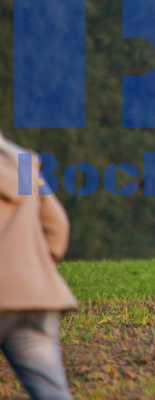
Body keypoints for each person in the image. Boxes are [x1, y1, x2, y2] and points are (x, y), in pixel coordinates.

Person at [0, 132, 78, 399]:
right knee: (52, 392)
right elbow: (57, 228)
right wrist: (34, 268)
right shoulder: (23, 165)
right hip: (35, 297)